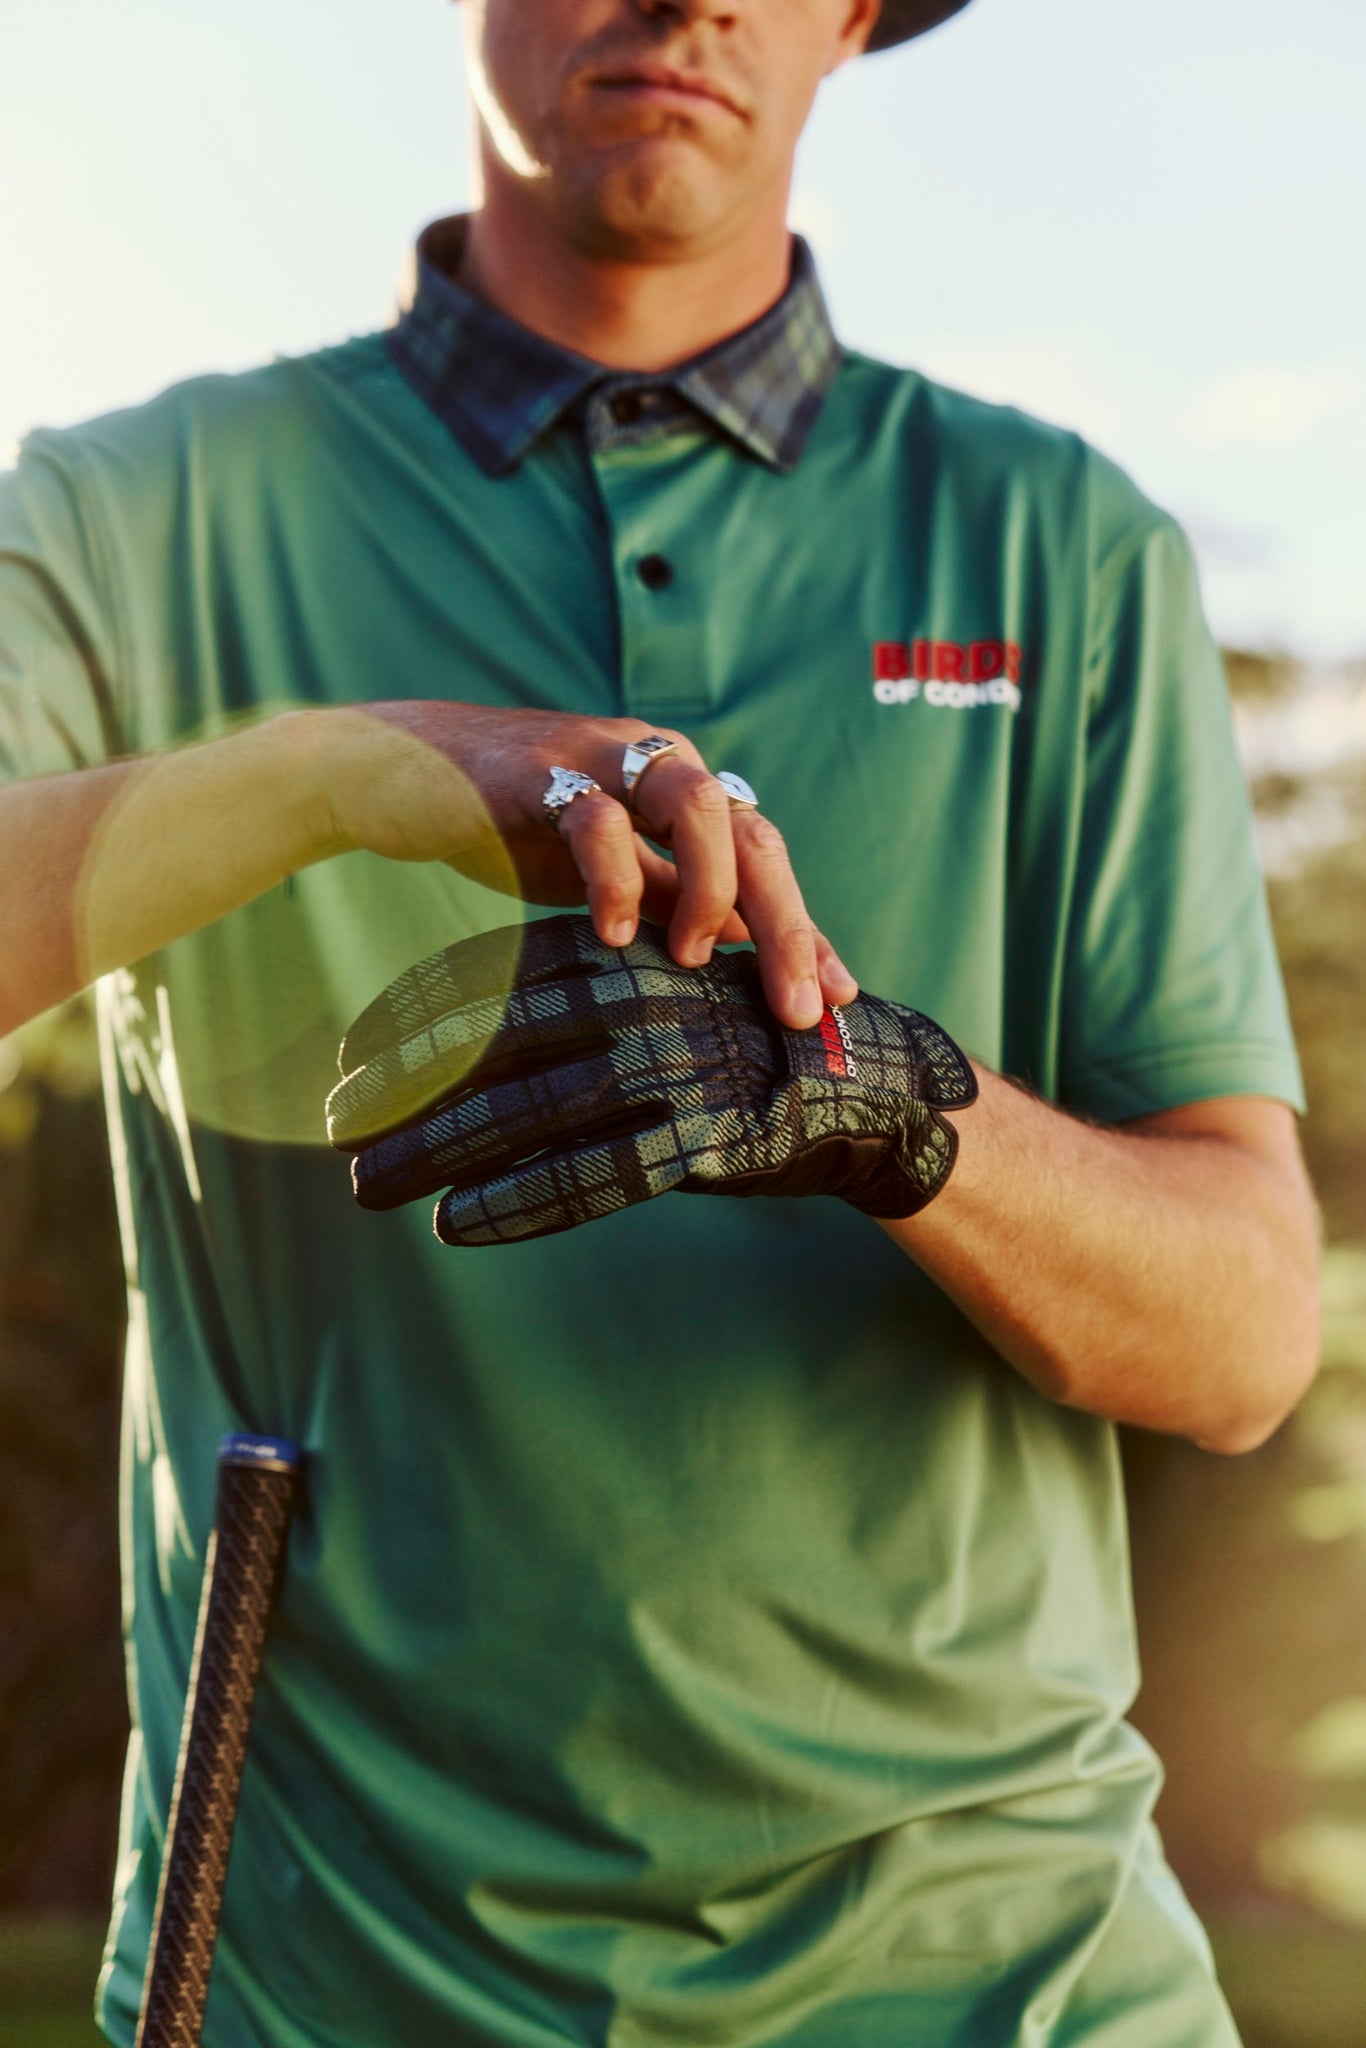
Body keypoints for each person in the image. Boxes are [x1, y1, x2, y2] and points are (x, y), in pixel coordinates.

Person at [0, 0, 1321, 2041]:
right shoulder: (132, 510)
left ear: (855, 14)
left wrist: (885, 1103)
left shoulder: (1058, 542)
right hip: (333, 1982)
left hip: (1013, 1983)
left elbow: (1242, 1334)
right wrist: (328, 774)